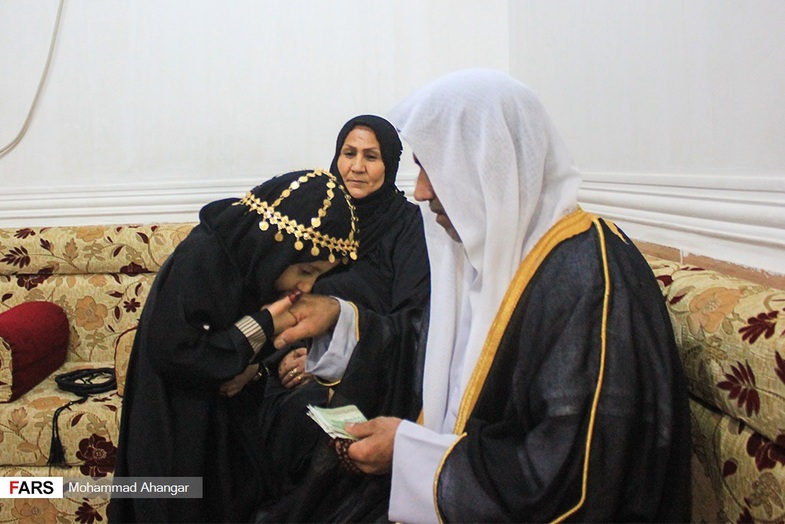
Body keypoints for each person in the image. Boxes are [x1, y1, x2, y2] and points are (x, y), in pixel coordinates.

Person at [272, 69, 692, 522]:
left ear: (489, 165)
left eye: (434, 168)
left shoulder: (588, 278)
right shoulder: (500, 254)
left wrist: (413, 454)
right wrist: (341, 320)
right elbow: (426, 348)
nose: (421, 191)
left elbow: (573, 479)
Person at [108, 169, 358, 523]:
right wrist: (263, 325)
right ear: (278, 245)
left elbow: (246, 358)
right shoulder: (204, 255)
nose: (306, 286)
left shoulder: (252, 265)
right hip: (178, 424)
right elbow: (175, 351)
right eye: (305, 270)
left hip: (224, 426)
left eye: (317, 275)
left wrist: (253, 369)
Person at [254, 115, 430, 513]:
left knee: (316, 418)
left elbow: (414, 319)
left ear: (390, 165)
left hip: (373, 374)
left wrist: (329, 359)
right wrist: (285, 358)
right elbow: (277, 298)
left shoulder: (408, 228)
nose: (357, 167)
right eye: (349, 153)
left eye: (371, 156)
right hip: (292, 369)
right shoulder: (317, 219)